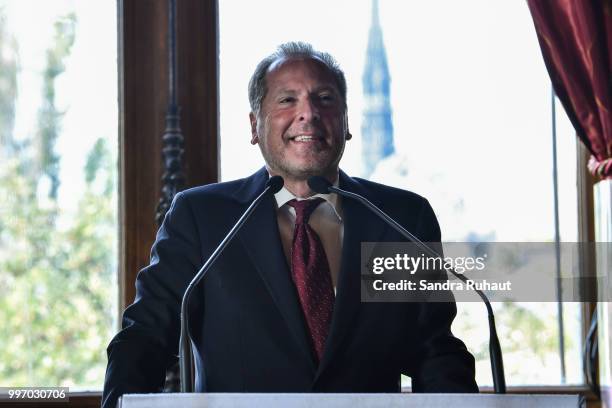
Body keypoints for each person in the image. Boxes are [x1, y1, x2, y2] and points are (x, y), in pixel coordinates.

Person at [102, 41, 478, 408]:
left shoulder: (400, 218)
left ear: (346, 122)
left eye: (325, 99)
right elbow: (145, 338)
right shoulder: (202, 218)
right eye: (287, 100)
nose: (308, 113)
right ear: (254, 125)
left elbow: (434, 351)